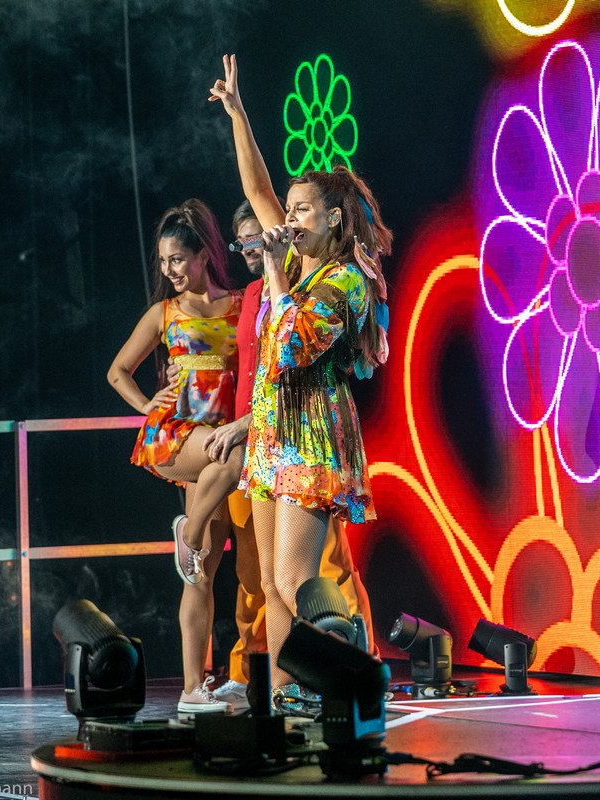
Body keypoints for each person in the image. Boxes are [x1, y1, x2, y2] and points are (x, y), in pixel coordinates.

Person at [207, 54, 390, 704]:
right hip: (269, 435)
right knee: (268, 586)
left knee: (293, 580)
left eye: (303, 210)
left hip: (310, 438)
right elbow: (258, 190)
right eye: (289, 210)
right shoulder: (298, 267)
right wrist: (239, 115)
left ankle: (344, 676)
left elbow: (290, 344)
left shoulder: (346, 280)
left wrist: (274, 268)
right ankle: (290, 691)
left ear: (333, 218)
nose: (287, 219)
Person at [106, 199, 243, 713]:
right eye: (163, 262)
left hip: (218, 449)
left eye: (178, 259)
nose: (169, 270)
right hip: (178, 436)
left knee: (200, 573)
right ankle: (188, 533)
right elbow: (117, 371)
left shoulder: (239, 305)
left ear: (204, 254)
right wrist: (147, 403)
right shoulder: (164, 313)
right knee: (231, 456)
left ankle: (191, 690)